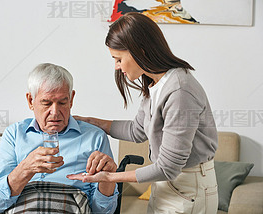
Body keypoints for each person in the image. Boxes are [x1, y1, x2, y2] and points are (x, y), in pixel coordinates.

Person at [68, 12, 218, 213]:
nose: (117, 67)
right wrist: (89, 121)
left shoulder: (179, 91)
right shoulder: (156, 83)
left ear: (139, 51)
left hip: (188, 187)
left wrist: (111, 177)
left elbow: (168, 167)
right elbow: (137, 130)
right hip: (167, 184)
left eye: (118, 59)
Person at [0, 63, 118, 213]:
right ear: (30, 101)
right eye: (46, 103)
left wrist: (108, 179)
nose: (55, 112)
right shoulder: (14, 134)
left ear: (71, 99)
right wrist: (25, 169)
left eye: (62, 102)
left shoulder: (95, 137)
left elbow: (103, 212)